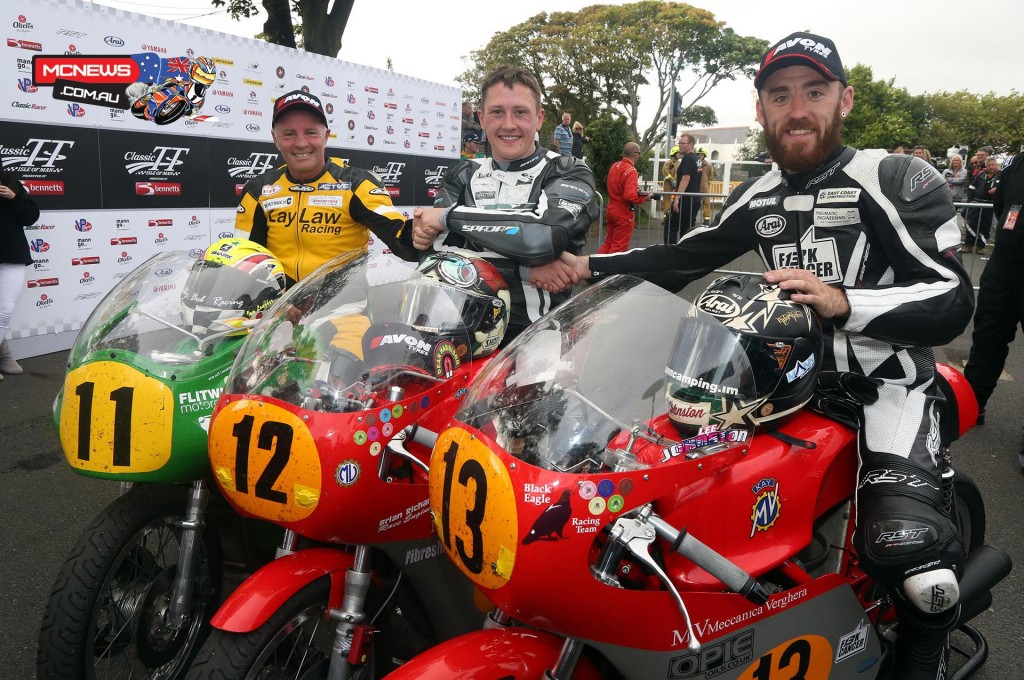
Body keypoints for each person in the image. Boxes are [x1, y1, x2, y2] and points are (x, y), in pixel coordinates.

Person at [565, 31, 973, 679]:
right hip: (778, 385)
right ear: (761, 111)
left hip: (887, 387)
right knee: (670, 502)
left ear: (845, 99)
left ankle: (928, 650)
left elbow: (953, 298)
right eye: (780, 95)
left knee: (909, 559)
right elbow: (676, 260)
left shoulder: (892, 177)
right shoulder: (760, 194)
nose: (798, 108)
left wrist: (844, 301)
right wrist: (580, 266)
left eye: (814, 91)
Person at [408, 65, 598, 343]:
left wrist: (448, 218)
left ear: (539, 118)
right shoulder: (463, 173)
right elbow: (438, 258)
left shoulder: (568, 170)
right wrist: (526, 269)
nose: (509, 124)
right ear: (482, 119)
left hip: (538, 338)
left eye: (520, 112)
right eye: (497, 112)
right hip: (458, 333)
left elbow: (542, 239)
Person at [235, 90, 418, 286]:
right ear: (275, 139)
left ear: (326, 136)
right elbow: (244, 261)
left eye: (311, 132)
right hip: (277, 310)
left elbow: (400, 238)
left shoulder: (356, 184)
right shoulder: (258, 190)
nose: (301, 143)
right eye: (289, 134)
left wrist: (421, 231)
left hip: (343, 312)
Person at [964, 151, 1024, 469]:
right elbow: (1002, 206)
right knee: (987, 336)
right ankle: (973, 405)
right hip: (1005, 265)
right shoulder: (1016, 163)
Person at [0, 171, 40, 380]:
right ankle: (3, 354)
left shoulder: (10, 182)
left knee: (5, 309)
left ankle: (2, 355)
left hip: (11, 255)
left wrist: (14, 197)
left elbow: (31, 216)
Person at [599, 142, 650, 254]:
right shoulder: (631, 171)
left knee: (609, 242)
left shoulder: (614, 166)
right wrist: (645, 198)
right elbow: (629, 196)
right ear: (636, 155)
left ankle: (595, 267)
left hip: (611, 208)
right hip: (623, 212)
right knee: (619, 247)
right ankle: (611, 270)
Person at [668, 133, 700, 243]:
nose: (679, 145)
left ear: (690, 144)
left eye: (682, 143)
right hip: (695, 199)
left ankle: (669, 252)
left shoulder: (687, 159)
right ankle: (685, 253)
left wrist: (677, 198)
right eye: (679, 142)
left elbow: (686, 178)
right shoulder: (698, 159)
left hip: (685, 200)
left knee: (671, 226)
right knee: (688, 230)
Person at [965, 156, 1001, 251]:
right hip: (976, 203)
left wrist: (997, 189)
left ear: (996, 165)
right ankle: (968, 245)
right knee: (971, 224)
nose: (991, 167)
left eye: (993, 164)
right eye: (989, 165)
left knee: (985, 226)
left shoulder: (1001, 176)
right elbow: (971, 188)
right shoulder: (980, 175)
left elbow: (1006, 187)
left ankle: (980, 247)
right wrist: (970, 200)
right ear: (986, 166)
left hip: (989, 205)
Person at [661, 146, 680, 217]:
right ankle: (666, 217)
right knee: (667, 199)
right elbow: (666, 172)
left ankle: (675, 216)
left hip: (677, 184)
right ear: (674, 153)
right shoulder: (668, 163)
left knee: (677, 199)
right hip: (668, 184)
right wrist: (672, 180)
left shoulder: (679, 163)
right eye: (678, 153)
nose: (679, 154)